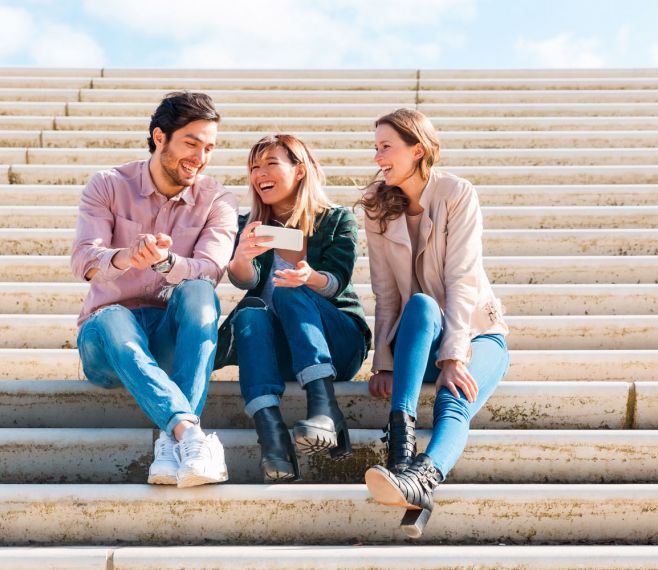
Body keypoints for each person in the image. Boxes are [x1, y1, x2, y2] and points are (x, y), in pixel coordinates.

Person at [71, 91, 238, 488]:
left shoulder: (217, 199)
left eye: (209, 147)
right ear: (159, 137)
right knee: (113, 316)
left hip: (168, 335)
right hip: (106, 342)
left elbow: (211, 269)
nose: (200, 156)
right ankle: (189, 434)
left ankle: (174, 438)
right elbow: (83, 261)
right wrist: (128, 257)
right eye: (191, 143)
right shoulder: (108, 185)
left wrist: (167, 263)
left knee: (200, 293)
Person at [359, 108, 509, 537]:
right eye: (376, 148)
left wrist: (454, 356)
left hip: (478, 333)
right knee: (421, 305)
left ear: (417, 149)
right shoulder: (377, 206)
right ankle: (400, 444)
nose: (378, 158)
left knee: (453, 400)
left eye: (386, 148)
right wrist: (383, 362)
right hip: (419, 335)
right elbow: (386, 291)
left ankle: (423, 478)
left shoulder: (457, 193)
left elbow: (463, 279)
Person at [214, 134, 371, 483]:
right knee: (251, 313)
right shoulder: (250, 225)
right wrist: (239, 258)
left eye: (271, 163)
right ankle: (273, 441)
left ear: (299, 170)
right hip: (280, 349)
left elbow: (337, 280)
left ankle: (324, 406)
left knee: (288, 291)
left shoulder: (335, 220)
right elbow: (246, 281)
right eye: (254, 167)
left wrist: (309, 277)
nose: (260, 174)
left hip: (335, 343)